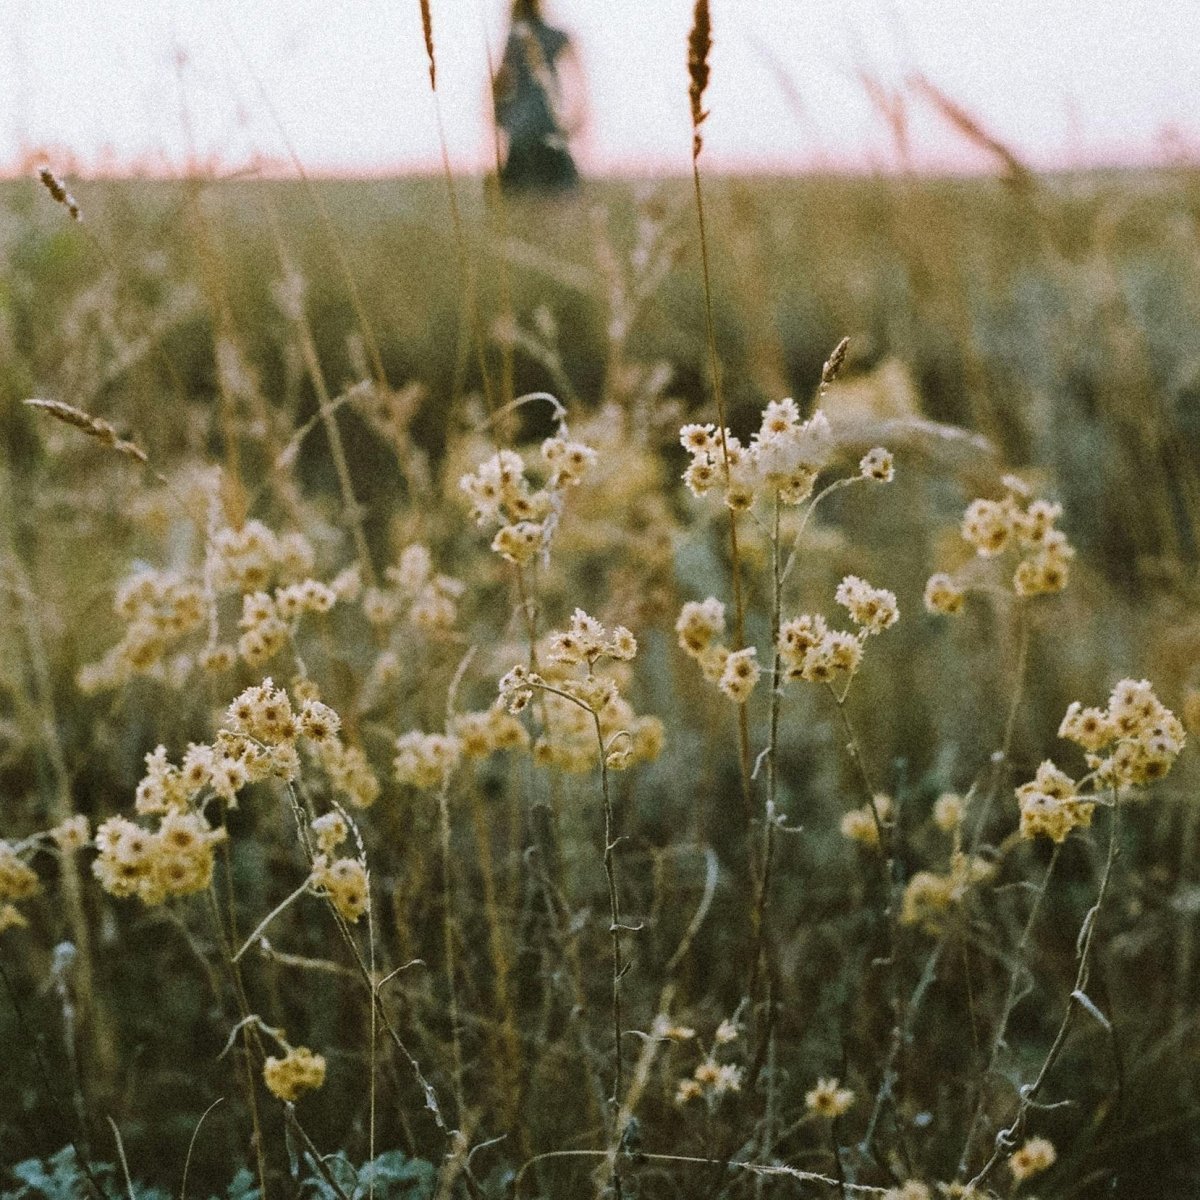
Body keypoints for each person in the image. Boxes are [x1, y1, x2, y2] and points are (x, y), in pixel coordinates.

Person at [493, 0, 584, 194]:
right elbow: (579, 81)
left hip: (520, 129)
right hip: (548, 124)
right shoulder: (556, 37)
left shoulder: (514, 38)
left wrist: (499, 115)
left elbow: (500, 83)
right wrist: (576, 118)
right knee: (558, 196)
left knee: (520, 198)